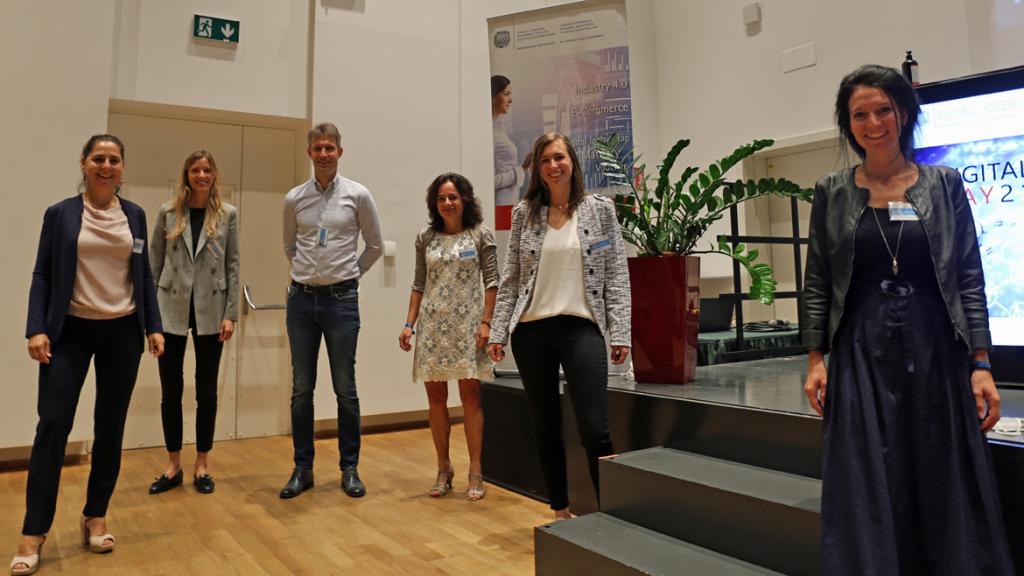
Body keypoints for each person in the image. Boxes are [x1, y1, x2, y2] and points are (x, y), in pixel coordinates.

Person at [802, 64, 1015, 574]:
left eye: (883, 110)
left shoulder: (943, 184)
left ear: (904, 113)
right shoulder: (831, 190)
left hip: (934, 343)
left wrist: (981, 362)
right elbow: (817, 280)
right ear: (847, 123)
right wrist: (815, 357)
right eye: (860, 114)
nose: (873, 122)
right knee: (869, 476)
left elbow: (968, 275)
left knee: (941, 470)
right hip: (860, 348)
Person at [11, 134, 164, 576]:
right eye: (98, 158)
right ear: (83, 163)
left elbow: (143, 275)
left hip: (122, 332)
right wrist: (36, 327)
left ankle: (95, 515)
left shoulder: (134, 215)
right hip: (70, 332)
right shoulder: (60, 215)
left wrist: (152, 325)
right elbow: (42, 272)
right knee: (54, 424)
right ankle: (33, 531)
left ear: (122, 168)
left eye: (114, 159)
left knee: (110, 426)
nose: (106, 166)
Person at [487, 132, 631, 520]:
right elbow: (512, 278)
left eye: (559, 158)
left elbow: (617, 273)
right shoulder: (524, 214)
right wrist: (499, 331)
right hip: (532, 331)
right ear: (537, 168)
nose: (553, 166)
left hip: (581, 328)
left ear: (572, 162)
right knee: (545, 425)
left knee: (594, 428)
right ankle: (560, 510)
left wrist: (620, 333)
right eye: (545, 160)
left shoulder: (600, 210)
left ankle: (608, 513)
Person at [279, 122, 382, 499]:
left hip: (342, 301)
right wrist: (309, 274)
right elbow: (290, 246)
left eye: (330, 148)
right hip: (302, 302)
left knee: (345, 388)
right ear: (309, 153)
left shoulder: (358, 195)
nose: (323, 154)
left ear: (340, 152)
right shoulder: (294, 199)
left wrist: (349, 274)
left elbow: (373, 246)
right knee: (301, 390)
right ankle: (302, 469)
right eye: (317, 148)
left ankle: (349, 468)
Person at [398, 173, 498, 501]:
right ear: (434, 203)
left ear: (465, 199)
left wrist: (486, 323)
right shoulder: (425, 238)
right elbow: (418, 284)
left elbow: (493, 283)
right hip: (432, 328)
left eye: (453, 196)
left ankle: (476, 470)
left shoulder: (480, 236)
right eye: (441, 198)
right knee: (436, 401)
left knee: (471, 400)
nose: (447, 203)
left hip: (469, 328)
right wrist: (409, 325)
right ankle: (443, 468)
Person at [147, 150, 240, 496]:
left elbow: (233, 266)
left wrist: (231, 313)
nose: (201, 175)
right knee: (170, 390)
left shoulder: (228, 214)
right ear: (186, 175)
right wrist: (150, 320)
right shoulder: (169, 213)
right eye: (195, 170)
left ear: (215, 175)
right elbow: (153, 264)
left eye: (207, 170)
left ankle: (202, 463)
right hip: (170, 308)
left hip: (211, 310)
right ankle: (173, 465)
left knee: (207, 392)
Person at [492, 75, 531, 206]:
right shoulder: (489, 134)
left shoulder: (499, 128)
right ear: (492, 97)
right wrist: (521, 170)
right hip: (500, 204)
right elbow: (488, 181)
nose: (510, 100)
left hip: (510, 201)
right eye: (506, 94)